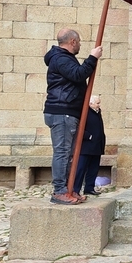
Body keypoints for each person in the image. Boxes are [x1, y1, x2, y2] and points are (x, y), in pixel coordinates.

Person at [43, 28, 102, 205]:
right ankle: (60, 191)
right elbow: (78, 74)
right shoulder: (60, 58)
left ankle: (70, 189)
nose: (80, 45)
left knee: (70, 154)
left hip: (69, 112)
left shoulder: (64, 58)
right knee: (62, 152)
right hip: (61, 112)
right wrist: (92, 58)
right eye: (79, 42)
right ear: (73, 42)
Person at [74, 94, 105, 196]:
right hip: (86, 146)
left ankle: (89, 188)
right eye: (97, 103)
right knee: (81, 169)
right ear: (90, 103)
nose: (99, 105)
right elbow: (78, 127)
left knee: (93, 169)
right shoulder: (85, 112)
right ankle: (75, 189)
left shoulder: (97, 112)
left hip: (96, 146)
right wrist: (88, 136)